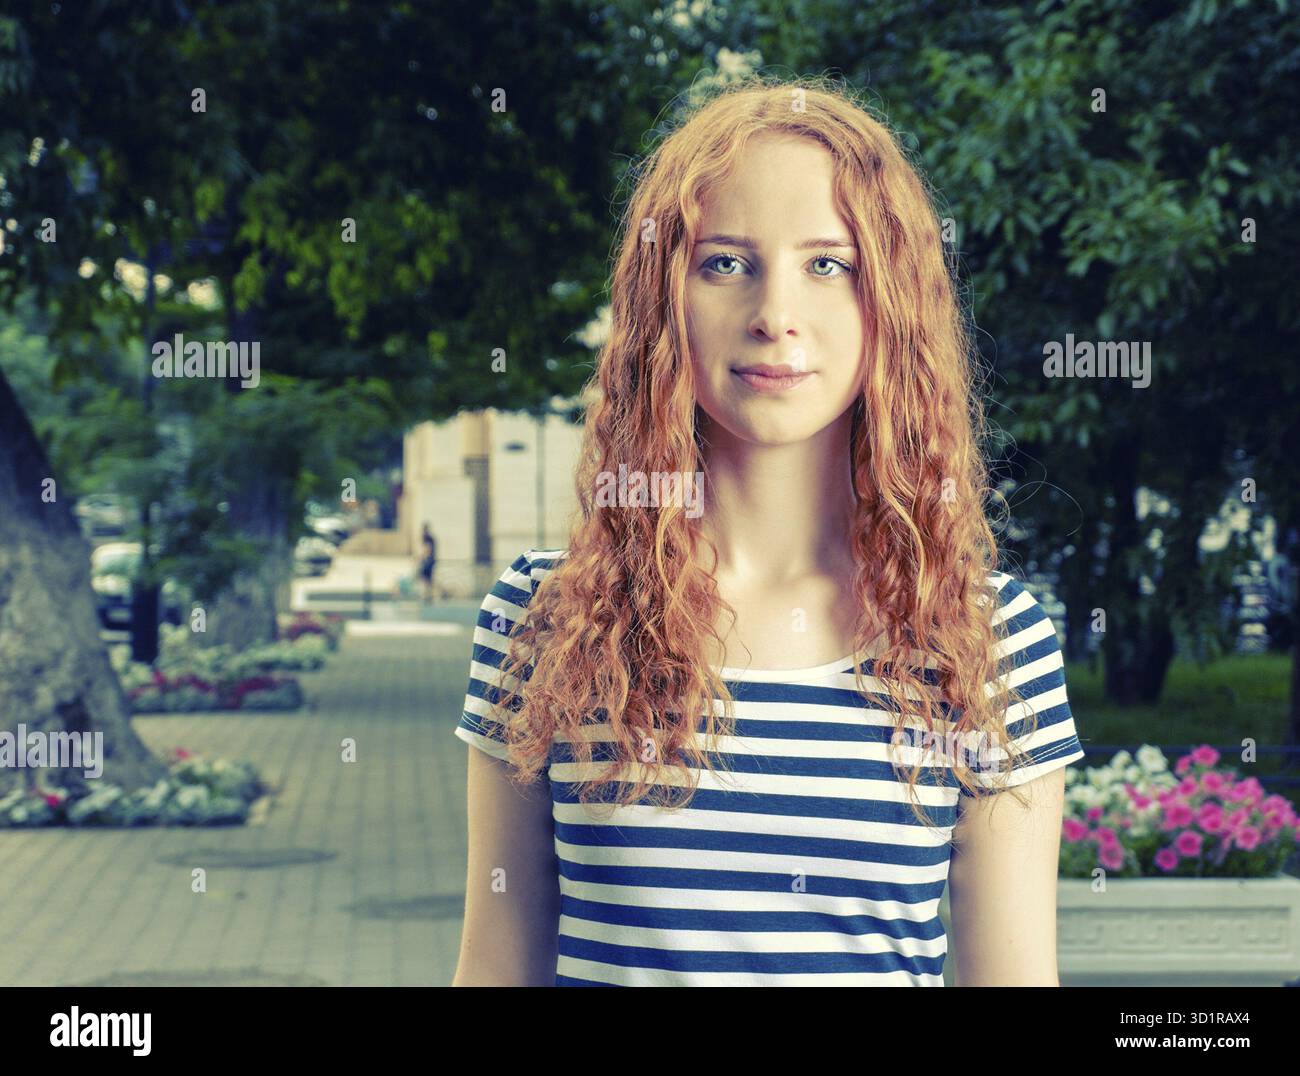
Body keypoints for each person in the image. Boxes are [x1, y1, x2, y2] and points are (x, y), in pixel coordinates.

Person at [452, 76, 1084, 987]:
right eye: (724, 262)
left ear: (891, 308)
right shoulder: (542, 618)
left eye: (829, 264)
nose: (774, 314)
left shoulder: (988, 641)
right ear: (662, 299)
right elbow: (495, 969)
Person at [418, 524, 436, 604]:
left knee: (426, 578)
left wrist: (422, 558)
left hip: (428, 561)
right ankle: (428, 595)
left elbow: (428, 549)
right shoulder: (430, 538)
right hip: (430, 561)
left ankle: (427, 595)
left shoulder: (427, 538)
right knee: (427, 579)